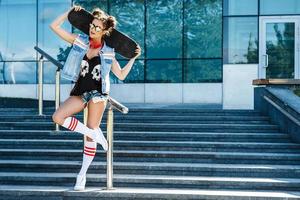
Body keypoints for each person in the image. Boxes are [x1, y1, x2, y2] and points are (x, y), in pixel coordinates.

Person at [50, 5, 141, 191]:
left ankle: (81, 176)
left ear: (105, 31)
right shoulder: (80, 41)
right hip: (81, 91)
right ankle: (94, 133)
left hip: (99, 94)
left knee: (90, 132)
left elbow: (121, 75)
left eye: (98, 27)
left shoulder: (108, 52)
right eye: (92, 25)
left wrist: (133, 58)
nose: (93, 29)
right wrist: (68, 12)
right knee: (58, 117)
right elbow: (54, 26)